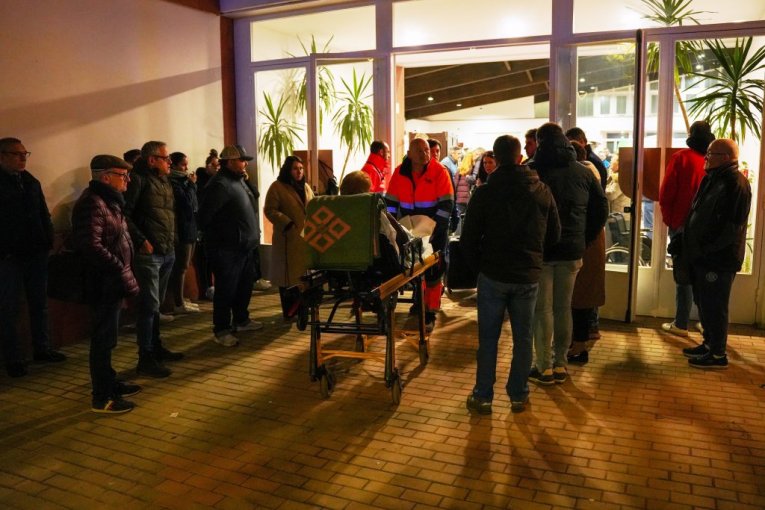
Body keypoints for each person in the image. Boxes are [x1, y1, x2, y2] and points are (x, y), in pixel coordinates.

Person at [462, 135, 560, 414]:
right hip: (527, 275)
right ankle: (518, 394)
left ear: (497, 159)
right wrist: (535, 258)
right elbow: (554, 234)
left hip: (493, 274)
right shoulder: (541, 190)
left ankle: (483, 395)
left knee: (488, 339)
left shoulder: (485, 193)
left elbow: (468, 239)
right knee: (523, 338)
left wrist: (479, 267)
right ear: (519, 158)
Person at [529, 123, 608, 385]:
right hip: (573, 250)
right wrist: (583, 239)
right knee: (564, 308)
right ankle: (561, 363)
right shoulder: (583, 172)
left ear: (540, 141)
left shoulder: (534, 171)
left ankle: (543, 366)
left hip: (542, 251)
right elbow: (601, 209)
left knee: (543, 310)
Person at [71, 155, 140, 413]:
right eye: (123, 175)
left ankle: (110, 383)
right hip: (102, 282)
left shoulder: (110, 201)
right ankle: (101, 397)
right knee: (102, 340)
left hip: (112, 280)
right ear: (106, 177)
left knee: (109, 338)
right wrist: (118, 266)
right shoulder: (93, 203)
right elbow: (91, 245)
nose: (127, 180)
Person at [681, 139, 751, 369]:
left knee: (715, 305)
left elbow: (732, 227)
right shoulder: (713, 178)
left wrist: (707, 249)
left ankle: (718, 354)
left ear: (725, 157)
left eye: (711, 154)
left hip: (719, 259)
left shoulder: (735, 183)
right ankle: (709, 343)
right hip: (703, 256)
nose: (706, 157)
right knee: (704, 302)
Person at [0, 137, 66, 378]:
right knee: (10, 308)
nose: (22, 158)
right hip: (9, 257)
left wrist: (49, 240)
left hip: (35, 252)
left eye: (25, 154)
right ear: (2, 156)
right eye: (16, 154)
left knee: (39, 304)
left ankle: (42, 348)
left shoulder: (30, 181)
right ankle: (14, 358)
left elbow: (42, 214)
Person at [123, 140, 182, 378]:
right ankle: (145, 357)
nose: (170, 162)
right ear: (151, 160)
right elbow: (124, 214)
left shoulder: (164, 180)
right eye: (165, 158)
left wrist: (173, 240)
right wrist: (141, 240)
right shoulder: (137, 180)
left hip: (167, 249)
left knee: (156, 306)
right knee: (148, 307)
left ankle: (156, 347)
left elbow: (168, 214)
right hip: (149, 253)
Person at [197, 145, 263, 346]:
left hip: (244, 247)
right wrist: (225, 237)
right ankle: (222, 329)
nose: (245, 164)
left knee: (244, 287)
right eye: (242, 160)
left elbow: (254, 199)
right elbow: (205, 217)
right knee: (226, 290)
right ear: (231, 162)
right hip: (227, 249)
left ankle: (241, 320)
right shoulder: (220, 185)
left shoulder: (238, 180)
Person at [385, 138, 454, 330]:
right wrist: (393, 227)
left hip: (435, 230)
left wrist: (435, 230)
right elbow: (390, 203)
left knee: (433, 271)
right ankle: (419, 302)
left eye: (426, 150)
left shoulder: (439, 171)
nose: (425, 154)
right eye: (420, 151)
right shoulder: (399, 172)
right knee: (414, 269)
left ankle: (430, 311)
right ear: (409, 154)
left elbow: (447, 205)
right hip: (409, 230)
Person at [659, 120, 714, 337]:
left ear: (691, 135)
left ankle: (681, 323)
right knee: (704, 274)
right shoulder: (712, 160)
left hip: (682, 224)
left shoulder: (681, 158)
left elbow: (667, 192)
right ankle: (705, 323)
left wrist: (670, 220)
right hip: (706, 227)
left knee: (683, 275)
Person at [567, 141, 607, 364]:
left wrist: (582, 238)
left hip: (584, 244)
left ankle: (579, 346)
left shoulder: (583, 177)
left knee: (579, 298)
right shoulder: (591, 174)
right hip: (589, 242)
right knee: (581, 297)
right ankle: (578, 342)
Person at [264, 155, 315, 318]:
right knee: (286, 276)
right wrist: (287, 223)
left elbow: (312, 206)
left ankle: (302, 309)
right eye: (295, 169)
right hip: (287, 238)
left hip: (304, 239)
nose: (299, 172)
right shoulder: (277, 187)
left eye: (301, 168)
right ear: (288, 170)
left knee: (302, 275)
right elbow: (270, 210)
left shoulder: (306, 187)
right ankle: (289, 311)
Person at [167, 152, 200, 314]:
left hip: (191, 228)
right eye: (183, 165)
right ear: (173, 165)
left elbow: (194, 205)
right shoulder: (173, 182)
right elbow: (186, 204)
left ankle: (181, 299)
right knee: (181, 267)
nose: (186, 168)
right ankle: (178, 303)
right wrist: (192, 185)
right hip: (182, 229)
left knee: (185, 266)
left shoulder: (184, 181)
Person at [194, 149, 220, 300]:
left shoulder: (218, 182)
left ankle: (213, 287)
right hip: (204, 227)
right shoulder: (202, 182)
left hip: (215, 227)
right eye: (214, 165)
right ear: (207, 166)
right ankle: (206, 288)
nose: (217, 168)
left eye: (218, 166)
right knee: (204, 260)